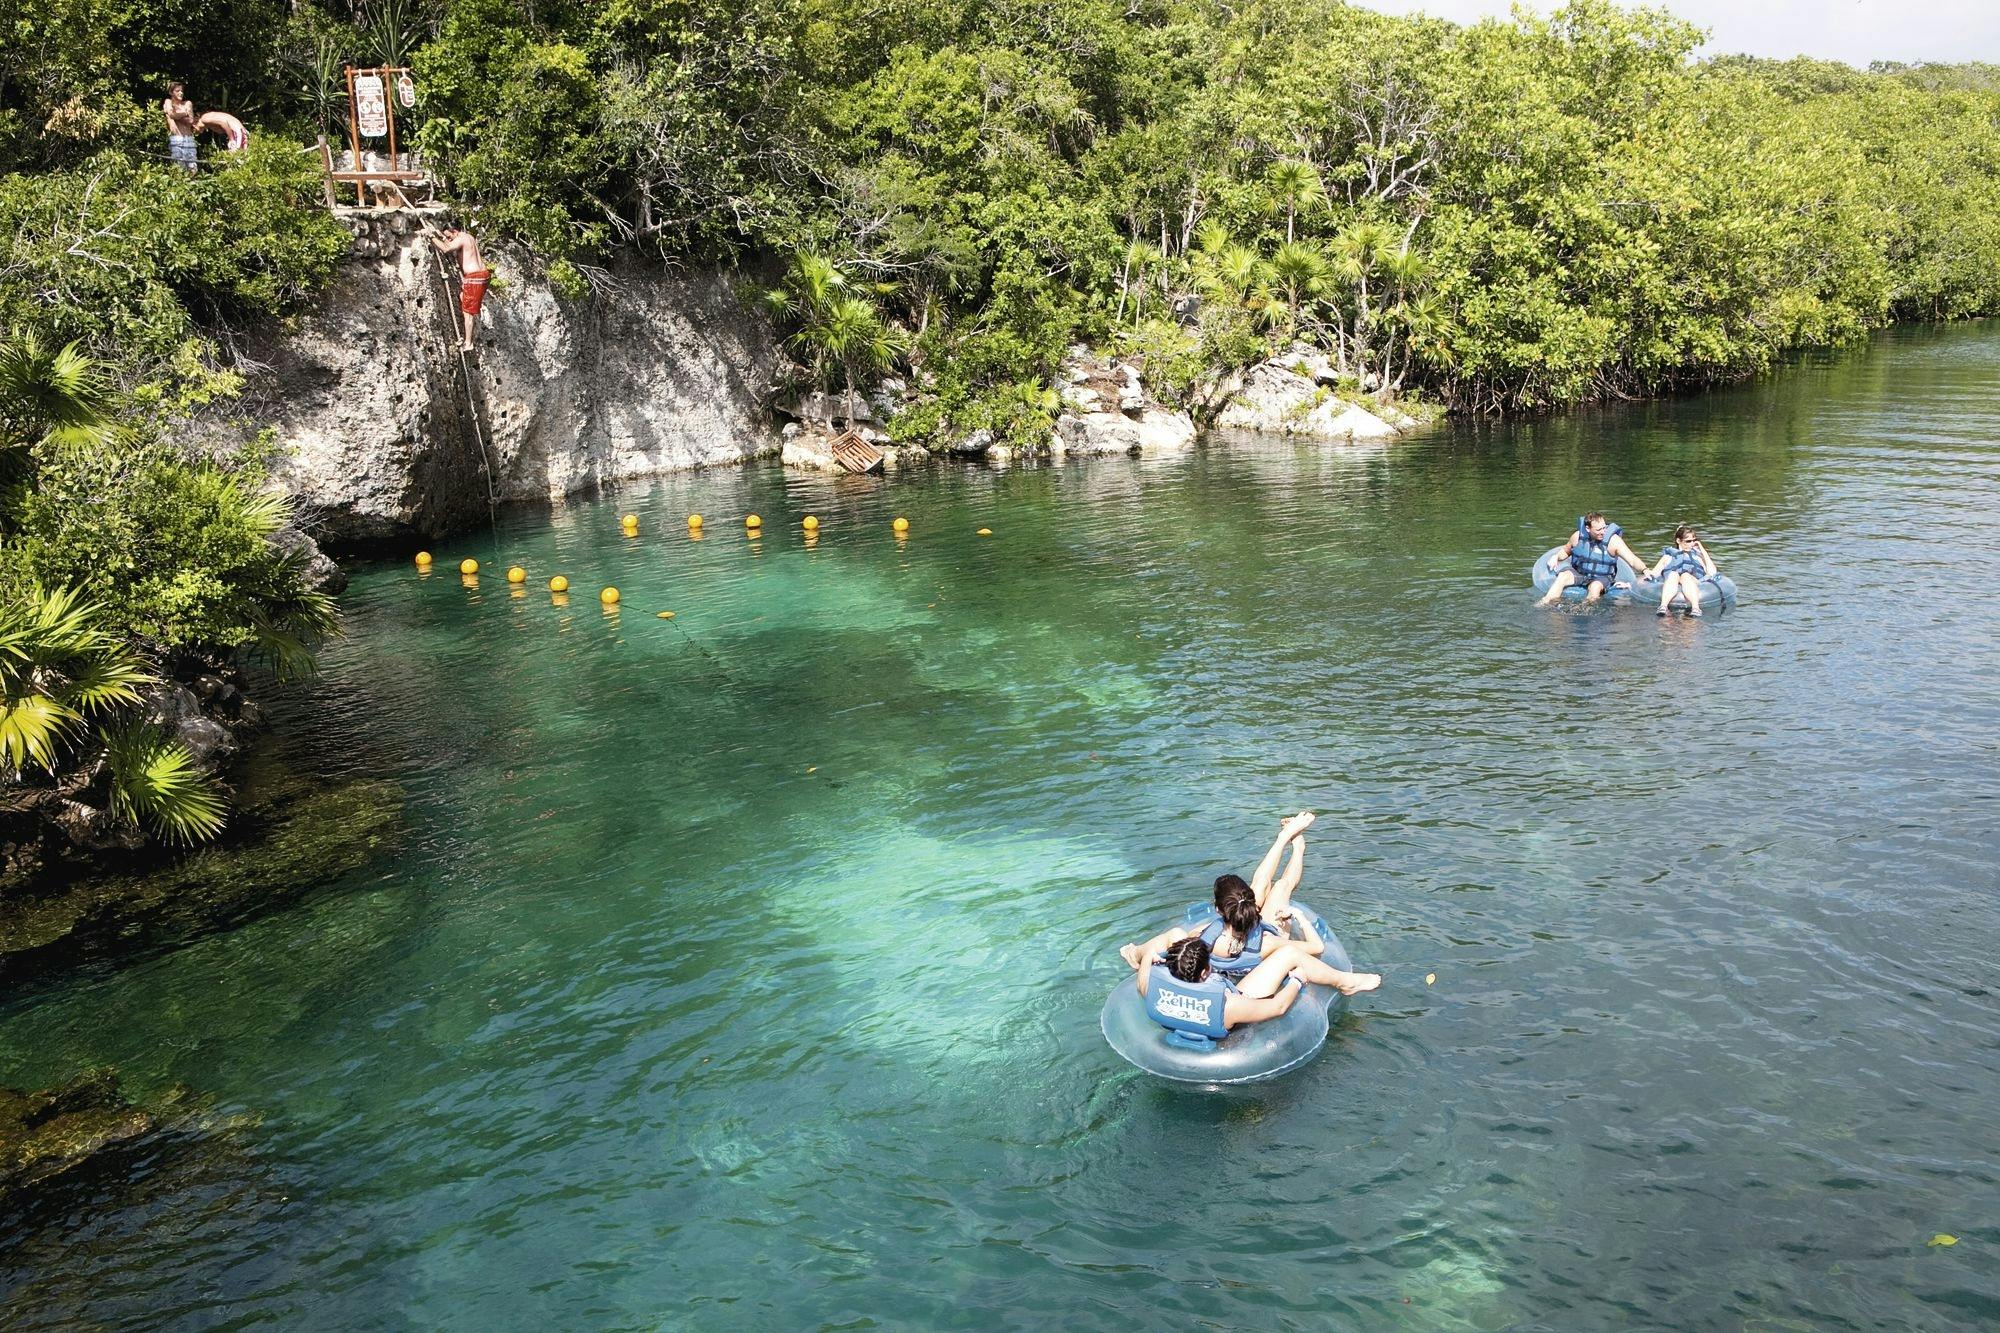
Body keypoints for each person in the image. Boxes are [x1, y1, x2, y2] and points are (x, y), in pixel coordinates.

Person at [1119, 811, 1320, 976]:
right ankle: (1297, 846)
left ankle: (1135, 953)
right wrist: (1298, 916)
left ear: (1218, 909)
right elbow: (1316, 948)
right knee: (1281, 886)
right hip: (1258, 942)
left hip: (1234, 935)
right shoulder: (1268, 944)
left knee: (1259, 885)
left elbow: (1182, 947)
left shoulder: (1203, 936)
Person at [1134, 934, 1381, 1043]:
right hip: (1233, 1029)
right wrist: (1296, 980)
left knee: (1173, 935)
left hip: (1186, 1020)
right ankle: (1345, 982)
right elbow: (1278, 1007)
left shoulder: (1149, 988)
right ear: (1205, 972)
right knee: (1289, 954)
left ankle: (1131, 950)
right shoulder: (1228, 1006)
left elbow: (1144, 970)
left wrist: (1148, 958)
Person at [1538, 512, 1649, 605]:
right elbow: (1565, 551)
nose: (1603, 532)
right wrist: (1556, 557)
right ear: (1587, 528)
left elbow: (1632, 560)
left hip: (1602, 577)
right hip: (1580, 573)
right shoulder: (1577, 537)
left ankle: (1584, 608)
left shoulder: (1613, 541)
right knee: (1562, 576)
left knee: (1595, 587)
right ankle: (1545, 602)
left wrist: (1645, 570)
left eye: (1604, 528)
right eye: (1598, 530)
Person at [425, 225, 490, 351]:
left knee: (468, 313)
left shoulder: (461, 239)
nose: (449, 239)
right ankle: (470, 333)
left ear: (455, 231)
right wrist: (443, 237)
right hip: (483, 275)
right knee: (462, 297)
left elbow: (446, 249)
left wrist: (431, 237)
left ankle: (468, 343)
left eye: (449, 236)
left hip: (474, 278)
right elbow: (450, 244)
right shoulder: (468, 237)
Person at [1642, 523, 1720, 617]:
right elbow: (1652, 575)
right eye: (1688, 541)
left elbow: (1712, 572)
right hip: (1672, 581)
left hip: (1692, 581)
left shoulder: (1697, 557)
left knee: (1685, 576)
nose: (1692, 544)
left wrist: (1702, 550)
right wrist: (1631, 584)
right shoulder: (1668, 557)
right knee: (1673, 574)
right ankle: (1663, 606)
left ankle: (1695, 608)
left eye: (1694, 541)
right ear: (1679, 541)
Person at [162, 82, 197, 175]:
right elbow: (171, 115)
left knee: (192, 166)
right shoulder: (168, 101)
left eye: (182, 91)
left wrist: (176, 115)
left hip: (188, 138)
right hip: (176, 138)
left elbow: (190, 121)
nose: (181, 93)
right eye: (177, 91)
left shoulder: (187, 103)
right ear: (171, 92)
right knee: (178, 167)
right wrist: (184, 113)